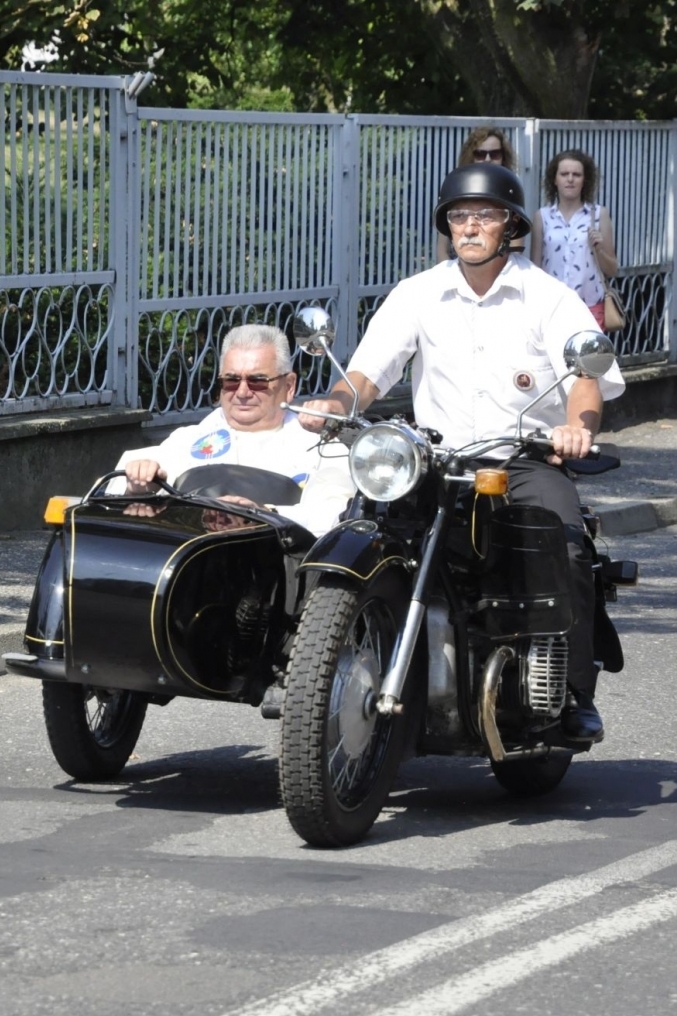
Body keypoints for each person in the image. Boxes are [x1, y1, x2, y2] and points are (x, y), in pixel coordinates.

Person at [302, 163, 626, 742]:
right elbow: (368, 371)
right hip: (434, 459)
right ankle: (314, 667)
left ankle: (575, 692)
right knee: (354, 526)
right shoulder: (419, 293)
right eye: (459, 215)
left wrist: (577, 427)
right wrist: (335, 402)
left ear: (511, 225)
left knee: (564, 543)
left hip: (521, 459)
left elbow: (585, 377)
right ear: (446, 226)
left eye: (485, 214)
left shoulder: (547, 297)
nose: (470, 225)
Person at [112, 324, 355, 538]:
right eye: (231, 380)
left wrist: (264, 514)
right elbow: (120, 509)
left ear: (289, 385)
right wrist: (138, 487)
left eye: (257, 381)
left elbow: (331, 520)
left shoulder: (323, 450)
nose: (242, 392)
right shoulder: (186, 440)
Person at [531, 149, 619, 329]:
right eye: (564, 174)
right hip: (551, 309)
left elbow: (612, 269)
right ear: (554, 179)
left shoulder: (598, 215)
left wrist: (599, 249)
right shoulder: (542, 217)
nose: (570, 179)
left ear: (584, 180)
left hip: (589, 308)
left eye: (576, 174)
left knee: (588, 358)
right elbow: (535, 269)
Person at [435, 128, 527, 263]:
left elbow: (515, 248)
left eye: (495, 154)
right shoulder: (456, 188)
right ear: (471, 156)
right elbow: (442, 249)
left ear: (503, 156)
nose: (487, 159)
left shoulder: (510, 191)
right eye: (480, 154)